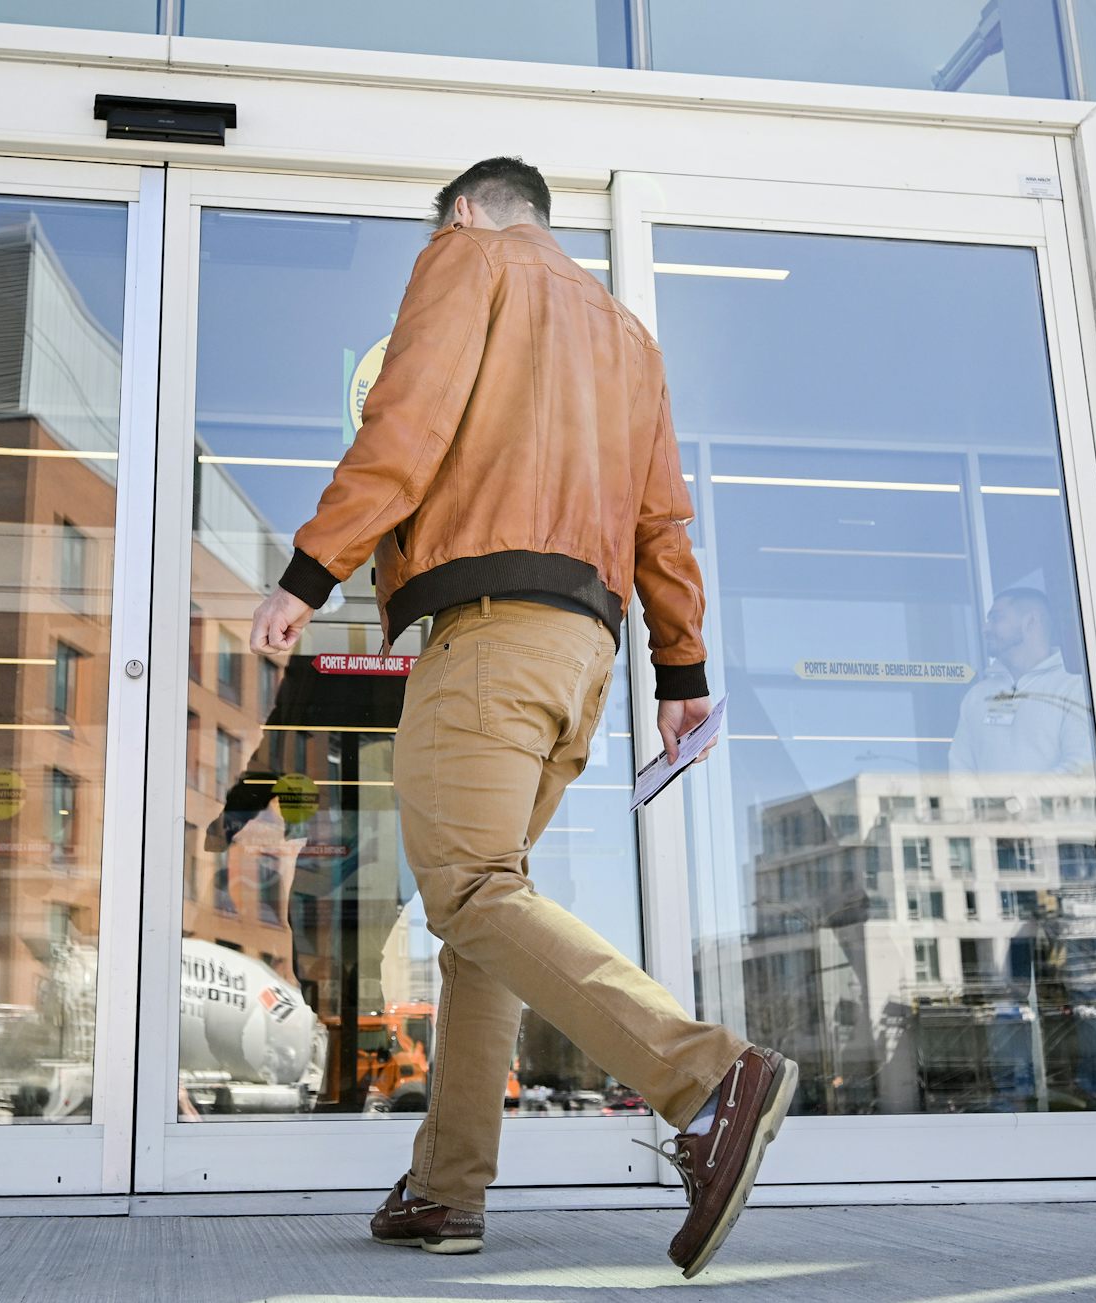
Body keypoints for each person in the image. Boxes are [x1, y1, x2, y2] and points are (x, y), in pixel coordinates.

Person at [248, 157, 796, 1279]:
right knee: (483, 915)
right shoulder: (627, 336)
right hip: (584, 653)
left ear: (464, 210)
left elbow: (407, 426)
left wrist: (307, 575)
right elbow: (663, 528)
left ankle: (707, 1077)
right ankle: (447, 1189)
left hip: (492, 634)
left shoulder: (468, 260)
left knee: (471, 891)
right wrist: (682, 670)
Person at [947, 587, 1096, 775]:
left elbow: (1080, 768)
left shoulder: (1074, 689)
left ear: (1030, 622)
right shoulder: (977, 696)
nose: (985, 628)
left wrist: (1016, 803)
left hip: (1053, 805)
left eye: (996, 618)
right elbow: (960, 770)